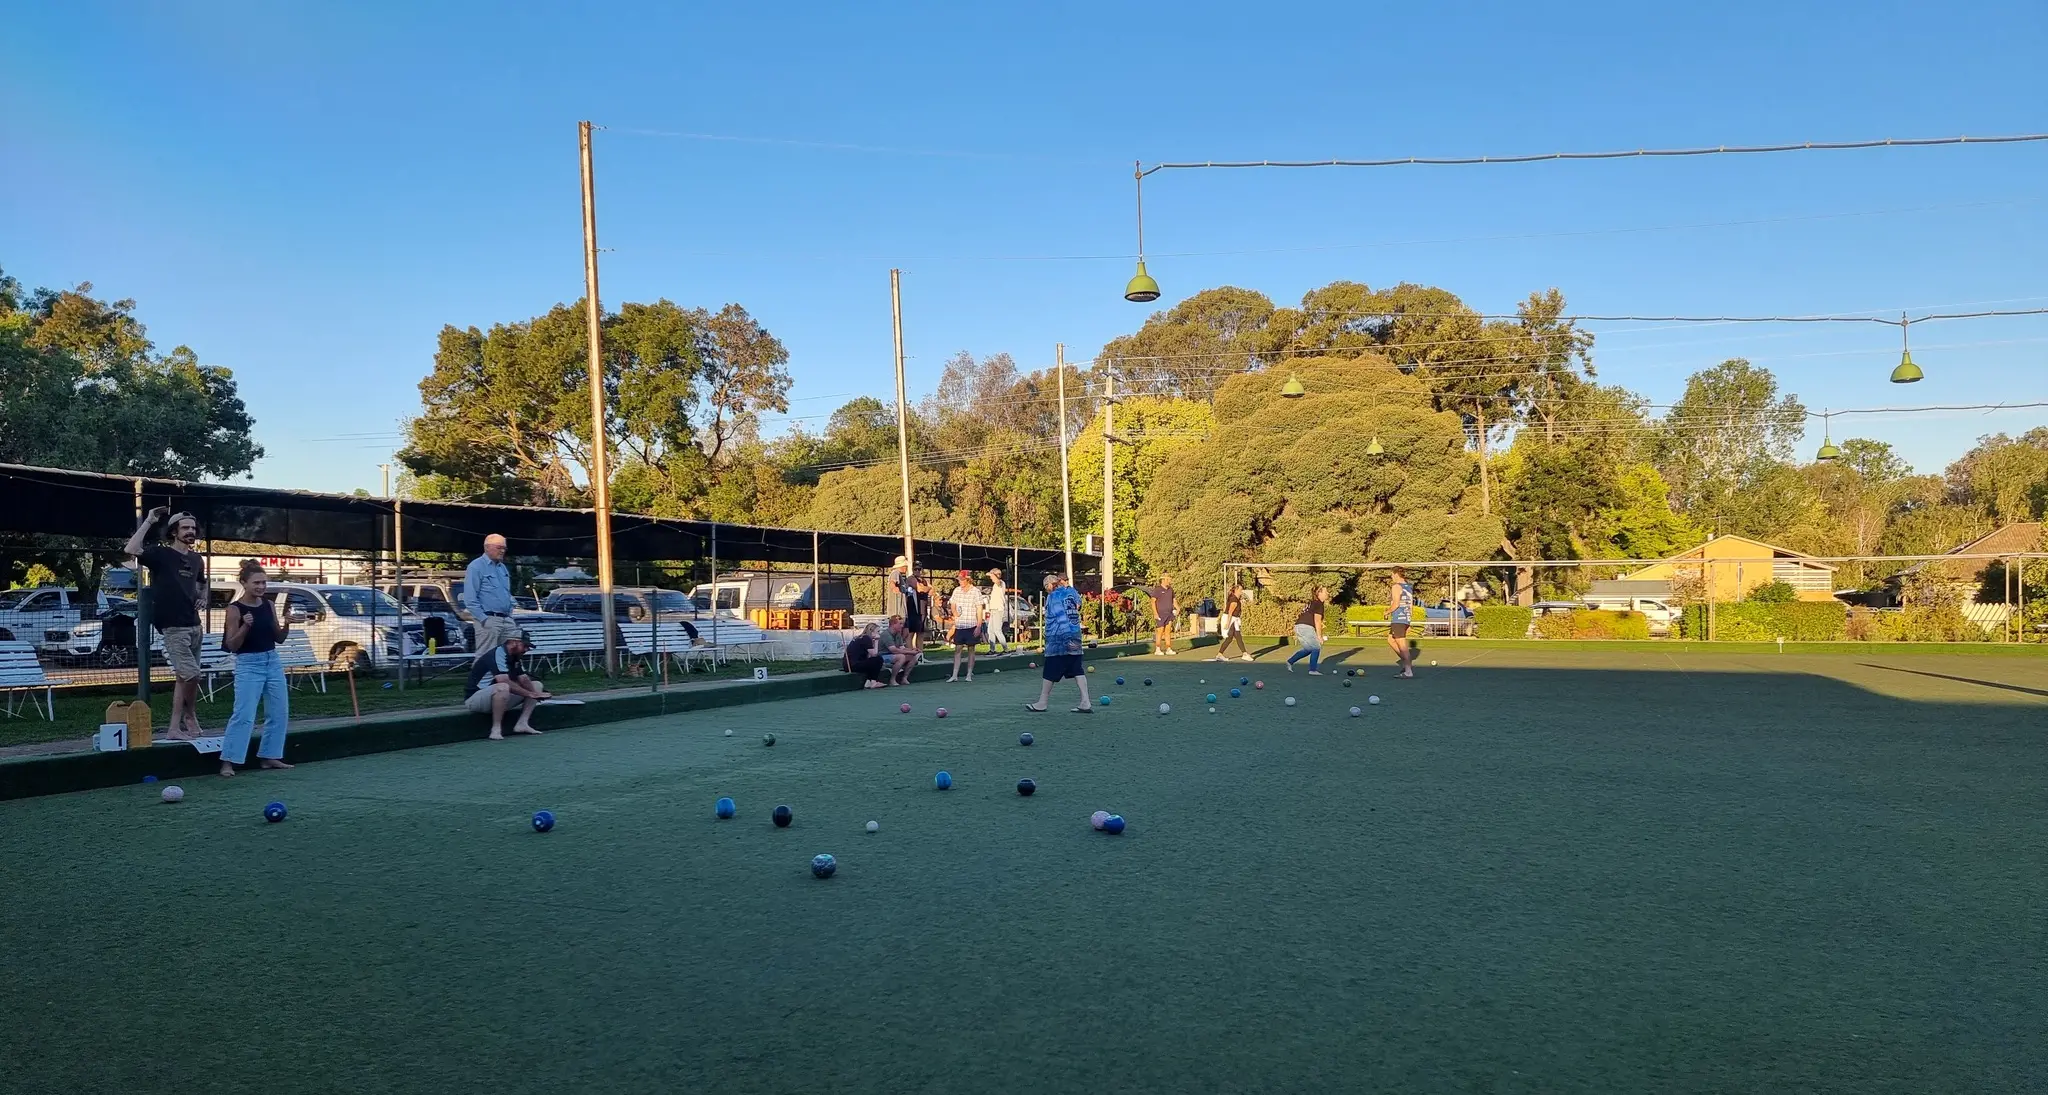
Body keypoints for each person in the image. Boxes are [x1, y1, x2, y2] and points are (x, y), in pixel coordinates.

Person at [124, 506, 208, 740]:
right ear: (173, 531)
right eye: (185, 528)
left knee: (183, 679)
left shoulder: (196, 558)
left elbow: (203, 583)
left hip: (194, 626)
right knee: (192, 675)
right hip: (172, 626)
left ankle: (174, 729)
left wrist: (203, 596)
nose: (191, 531)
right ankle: (190, 716)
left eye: (193, 528)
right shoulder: (161, 555)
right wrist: (149, 520)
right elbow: (131, 548)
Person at [218, 559, 293, 778]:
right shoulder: (235, 609)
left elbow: (278, 638)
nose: (261, 587)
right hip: (248, 664)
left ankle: (270, 756)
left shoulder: (268, 605)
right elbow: (232, 645)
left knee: (279, 712)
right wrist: (245, 625)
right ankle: (228, 761)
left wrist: (287, 623)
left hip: (272, 661)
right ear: (244, 583)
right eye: (256, 583)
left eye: (264, 583)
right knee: (244, 714)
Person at [1024, 572, 1092, 714]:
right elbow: (1078, 605)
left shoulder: (1053, 597)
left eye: (1046, 586)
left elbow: (1060, 617)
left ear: (1049, 585)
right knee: (1076, 668)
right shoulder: (1071, 593)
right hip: (1075, 635)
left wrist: (1063, 636)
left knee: (1050, 669)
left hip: (1059, 639)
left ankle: (1042, 702)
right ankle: (1086, 701)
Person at [465, 631, 549, 739]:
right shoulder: (497, 654)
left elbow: (523, 678)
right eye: (525, 646)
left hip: (498, 697)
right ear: (514, 642)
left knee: (537, 685)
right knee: (503, 686)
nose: (527, 650)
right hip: (475, 700)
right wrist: (530, 694)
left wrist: (536, 694)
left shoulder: (514, 657)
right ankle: (496, 730)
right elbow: (503, 680)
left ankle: (522, 723)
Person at [462, 533, 518, 657]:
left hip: (506, 619)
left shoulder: (502, 568)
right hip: (488, 619)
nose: (503, 551)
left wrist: (510, 613)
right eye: (499, 547)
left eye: (504, 548)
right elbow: (470, 598)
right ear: (487, 547)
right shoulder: (476, 566)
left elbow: (506, 593)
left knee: (509, 656)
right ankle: (480, 677)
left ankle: (504, 677)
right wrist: (484, 619)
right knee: (486, 657)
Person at [946, 569, 986, 682]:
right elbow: (952, 604)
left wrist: (979, 626)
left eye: (962, 579)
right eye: (959, 579)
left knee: (971, 649)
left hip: (971, 624)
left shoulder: (975, 591)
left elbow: (979, 609)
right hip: (960, 625)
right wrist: (954, 612)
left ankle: (969, 674)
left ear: (968, 579)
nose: (960, 582)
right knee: (958, 649)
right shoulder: (957, 590)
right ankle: (954, 675)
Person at [1286, 584, 1329, 675]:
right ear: (1319, 593)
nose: (1328, 593)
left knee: (1309, 649)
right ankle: (1313, 670)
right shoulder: (1319, 603)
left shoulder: (1312, 602)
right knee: (1316, 647)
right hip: (1306, 627)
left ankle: (1290, 661)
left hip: (1298, 626)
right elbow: (1317, 620)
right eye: (1326, 591)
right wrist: (1319, 636)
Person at [1135, 574, 1178, 656]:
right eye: (1168, 579)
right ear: (1163, 580)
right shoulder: (1157, 590)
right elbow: (1153, 601)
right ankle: (1158, 649)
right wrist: (1155, 613)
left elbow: (1174, 600)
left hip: (1169, 613)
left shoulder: (1170, 589)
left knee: (1168, 631)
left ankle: (1168, 648)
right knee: (1160, 631)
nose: (1169, 581)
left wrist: (1178, 608)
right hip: (1160, 614)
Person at [1387, 566, 1417, 678]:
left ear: (1396, 574)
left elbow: (1396, 604)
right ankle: (1406, 662)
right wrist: (1409, 621)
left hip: (1398, 618)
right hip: (1405, 618)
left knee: (1402, 645)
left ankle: (1408, 670)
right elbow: (1410, 605)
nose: (1391, 577)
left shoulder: (1396, 586)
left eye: (1392, 575)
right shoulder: (1408, 587)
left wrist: (1387, 611)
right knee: (1390, 640)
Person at [1213, 579, 1252, 662]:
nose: (1242, 591)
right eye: (1240, 590)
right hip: (1231, 619)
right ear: (1236, 590)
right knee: (1234, 636)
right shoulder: (1234, 600)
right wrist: (1228, 623)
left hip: (1234, 619)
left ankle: (1220, 654)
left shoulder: (1235, 599)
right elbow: (1230, 612)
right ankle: (1244, 654)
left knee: (1233, 637)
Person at [843, 623, 888, 688]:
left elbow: (869, 656)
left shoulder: (861, 637)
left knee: (872, 662)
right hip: (853, 665)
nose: (879, 634)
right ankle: (873, 682)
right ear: (871, 631)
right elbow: (874, 654)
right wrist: (877, 640)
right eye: (877, 631)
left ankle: (868, 682)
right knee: (878, 659)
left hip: (849, 665)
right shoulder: (866, 638)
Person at [879, 614, 916, 684]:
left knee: (912, 657)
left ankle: (904, 678)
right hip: (883, 656)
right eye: (900, 624)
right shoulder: (886, 634)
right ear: (893, 624)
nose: (902, 626)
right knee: (901, 657)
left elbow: (902, 647)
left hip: (893, 655)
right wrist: (910, 652)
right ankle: (892, 679)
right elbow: (893, 650)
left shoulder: (898, 634)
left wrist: (912, 650)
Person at [984, 568, 1011, 654]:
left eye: (992, 576)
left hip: (998, 610)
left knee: (997, 630)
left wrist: (991, 573)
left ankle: (1006, 649)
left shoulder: (1001, 583)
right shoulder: (995, 585)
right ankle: (992, 650)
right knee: (990, 630)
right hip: (993, 609)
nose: (991, 578)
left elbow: (997, 580)